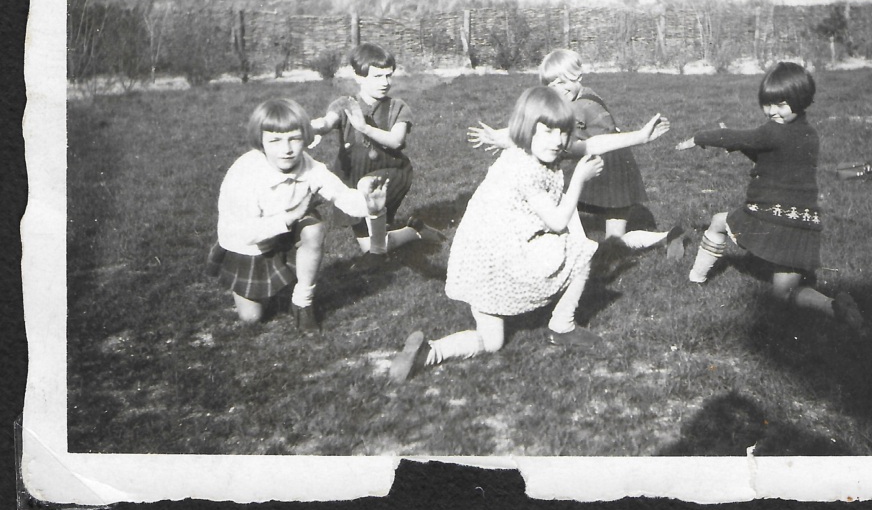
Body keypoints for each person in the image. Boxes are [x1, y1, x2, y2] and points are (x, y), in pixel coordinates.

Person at [390, 87, 659, 383]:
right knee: (581, 250)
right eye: (548, 131)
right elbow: (558, 223)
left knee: (492, 342)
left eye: (563, 132)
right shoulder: (526, 170)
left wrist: (640, 137)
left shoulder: (532, 148)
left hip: (478, 261)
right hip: (504, 259)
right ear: (528, 129)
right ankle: (562, 326)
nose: (558, 141)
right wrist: (578, 180)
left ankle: (429, 353)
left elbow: (592, 142)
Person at [676, 62, 863, 330]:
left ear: (800, 100)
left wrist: (700, 137)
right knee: (784, 294)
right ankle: (834, 308)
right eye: (767, 103)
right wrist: (740, 145)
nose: (772, 111)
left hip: (766, 214)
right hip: (801, 223)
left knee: (718, 223)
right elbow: (772, 157)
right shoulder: (809, 133)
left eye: (781, 104)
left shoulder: (772, 130)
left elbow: (740, 138)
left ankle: (695, 279)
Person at [207, 98, 387, 331]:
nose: (287, 149)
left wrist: (370, 207)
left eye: (294, 138)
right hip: (250, 245)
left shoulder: (310, 167)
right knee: (251, 318)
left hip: (291, 231)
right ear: (260, 142)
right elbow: (244, 234)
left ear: (306, 138)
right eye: (275, 140)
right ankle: (272, 283)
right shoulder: (245, 174)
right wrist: (290, 216)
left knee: (314, 228)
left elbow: (342, 195)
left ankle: (303, 302)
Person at [469, 49, 674, 249]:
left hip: (606, 167)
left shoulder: (578, 108)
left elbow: (543, 131)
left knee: (565, 202)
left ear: (578, 77)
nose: (557, 89)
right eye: (551, 85)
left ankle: (576, 246)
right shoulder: (586, 94)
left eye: (562, 82)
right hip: (617, 161)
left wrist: (504, 137)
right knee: (613, 240)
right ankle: (664, 238)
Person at [311, 42, 443, 271]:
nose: (385, 82)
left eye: (388, 76)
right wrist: (314, 126)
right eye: (377, 76)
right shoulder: (345, 104)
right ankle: (414, 231)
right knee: (371, 246)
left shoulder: (398, 107)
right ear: (359, 76)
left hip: (391, 172)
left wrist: (364, 128)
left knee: (367, 188)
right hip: (351, 177)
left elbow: (396, 140)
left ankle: (382, 247)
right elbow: (328, 122)